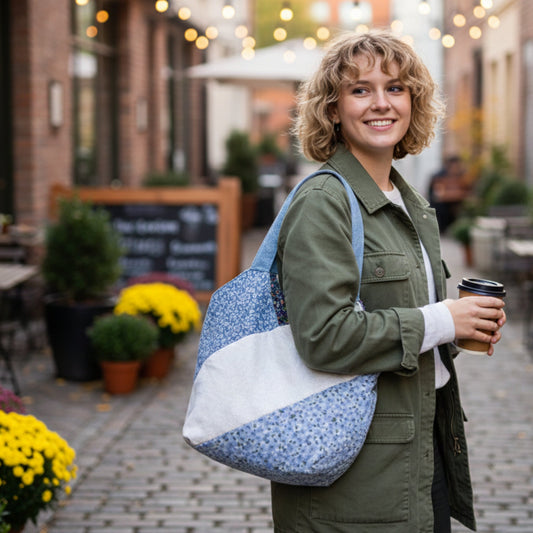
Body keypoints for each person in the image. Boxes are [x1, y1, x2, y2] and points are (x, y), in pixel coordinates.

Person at [272, 31, 506, 533]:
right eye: (360, 90)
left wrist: (460, 328)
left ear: (413, 102)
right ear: (333, 109)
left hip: (424, 454)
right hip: (357, 481)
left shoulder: (411, 204)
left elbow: (410, 328)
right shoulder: (325, 203)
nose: (381, 103)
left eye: (396, 88)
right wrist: (443, 318)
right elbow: (324, 339)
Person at [428, 155, 470, 233]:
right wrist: (456, 194)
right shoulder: (439, 176)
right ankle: (442, 229)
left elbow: (466, 191)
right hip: (439, 203)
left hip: (453, 202)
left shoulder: (461, 175)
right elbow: (439, 195)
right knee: (442, 208)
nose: (456, 168)